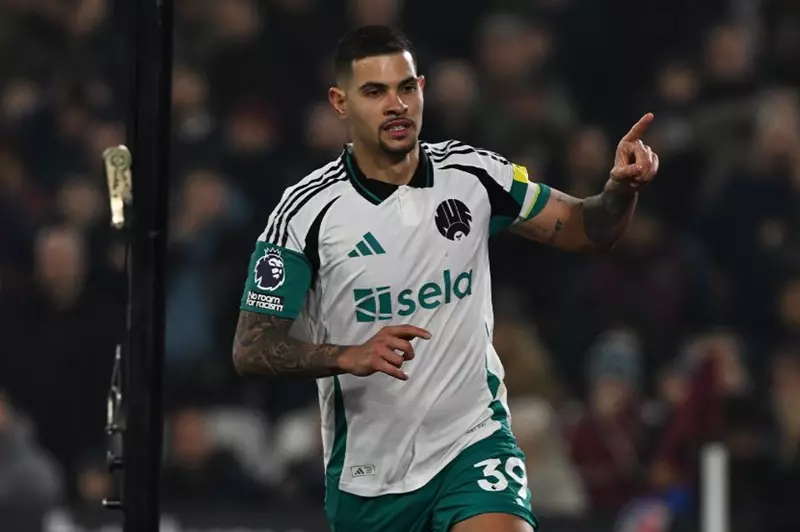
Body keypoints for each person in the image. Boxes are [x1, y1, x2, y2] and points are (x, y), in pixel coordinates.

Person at [232, 25, 659, 532]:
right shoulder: (305, 213)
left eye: (405, 88)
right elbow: (252, 348)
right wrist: (346, 356)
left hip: (473, 443)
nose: (396, 105)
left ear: (422, 89)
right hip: (371, 477)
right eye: (375, 91)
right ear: (340, 103)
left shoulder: (474, 176)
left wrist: (619, 190)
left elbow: (587, 229)